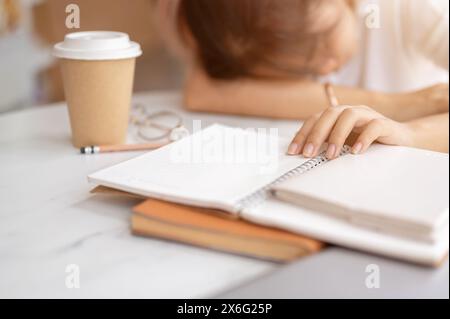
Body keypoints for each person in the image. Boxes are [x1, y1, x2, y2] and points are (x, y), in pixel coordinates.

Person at [157, 0, 449, 158]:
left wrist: (411, 134)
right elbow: (205, 90)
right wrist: (396, 104)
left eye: (328, 32)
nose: (326, 66)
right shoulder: (232, 26)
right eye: (292, 69)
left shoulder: (414, 7)